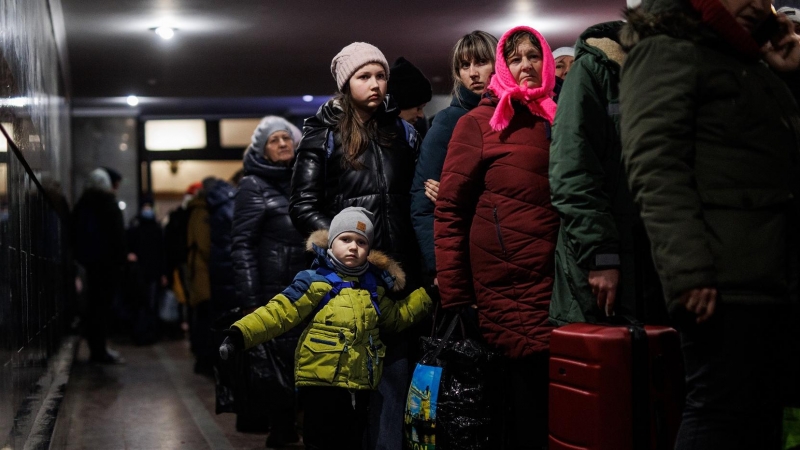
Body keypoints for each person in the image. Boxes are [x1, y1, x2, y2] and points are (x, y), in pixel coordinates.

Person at [620, 0, 800, 448]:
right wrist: (688, 271)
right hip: (722, 276)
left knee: (761, 417)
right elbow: (655, 168)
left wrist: (791, 69)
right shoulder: (666, 51)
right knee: (720, 412)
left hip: (770, 271)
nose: (757, 4)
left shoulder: (748, 63)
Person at [289, 41, 422, 450]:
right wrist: (342, 250)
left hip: (398, 276)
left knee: (393, 388)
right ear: (347, 83)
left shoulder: (402, 132)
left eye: (380, 75)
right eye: (365, 76)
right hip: (347, 279)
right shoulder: (323, 134)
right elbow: (302, 205)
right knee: (343, 394)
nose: (376, 84)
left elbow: (413, 197)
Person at [434, 25, 559, 449]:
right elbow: (448, 211)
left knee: (556, 407)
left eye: (533, 56)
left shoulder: (557, 117)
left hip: (559, 281)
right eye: (515, 58)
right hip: (508, 286)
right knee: (522, 410)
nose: (526, 65)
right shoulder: (477, 123)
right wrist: (455, 295)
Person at [220, 207, 432, 450]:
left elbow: (397, 317)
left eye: (361, 242)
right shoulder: (314, 280)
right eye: (346, 239)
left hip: (358, 389)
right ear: (331, 242)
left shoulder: (373, 288)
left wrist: (427, 296)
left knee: (352, 441)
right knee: (320, 441)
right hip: (320, 386)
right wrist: (240, 334)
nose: (353, 247)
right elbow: (278, 312)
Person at [548, 21, 665, 326]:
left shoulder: (668, 73)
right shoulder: (594, 70)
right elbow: (573, 171)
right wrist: (601, 255)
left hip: (659, 257)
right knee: (610, 361)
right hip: (608, 259)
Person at [230, 116, 306, 445]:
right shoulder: (253, 185)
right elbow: (242, 245)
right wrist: (250, 301)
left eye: (286, 137)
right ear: (263, 150)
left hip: (308, 288)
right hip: (274, 293)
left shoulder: (305, 180)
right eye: (273, 140)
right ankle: (282, 433)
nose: (282, 144)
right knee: (280, 375)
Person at [411, 30, 498, 282]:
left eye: (481, 62)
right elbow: (422, 200)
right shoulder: (450, 120)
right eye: (464, 65)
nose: (472, 73)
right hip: (467, 253)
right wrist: (441, 268)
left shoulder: (514, 113)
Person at [72, 167, 127, 364]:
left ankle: (96, 347)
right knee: (103, 308)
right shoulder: (109, 204)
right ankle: (100, 350)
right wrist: (121, 262)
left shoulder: (82, 205)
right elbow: (118, 237)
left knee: (93, 308)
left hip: (88, 265)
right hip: (107, 266)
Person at [126, 196, 168, 344]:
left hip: (147, 273)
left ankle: (146, 334)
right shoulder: (145, 229)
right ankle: (145, 333)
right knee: (145, 304)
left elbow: (162, 253)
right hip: (144, 273)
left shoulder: (145, 229)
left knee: (147, 305)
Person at [387, 56, 433, 135]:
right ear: (399, 105)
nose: (421, 115)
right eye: (418, 108)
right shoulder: (372, 140)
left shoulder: (412, 137)